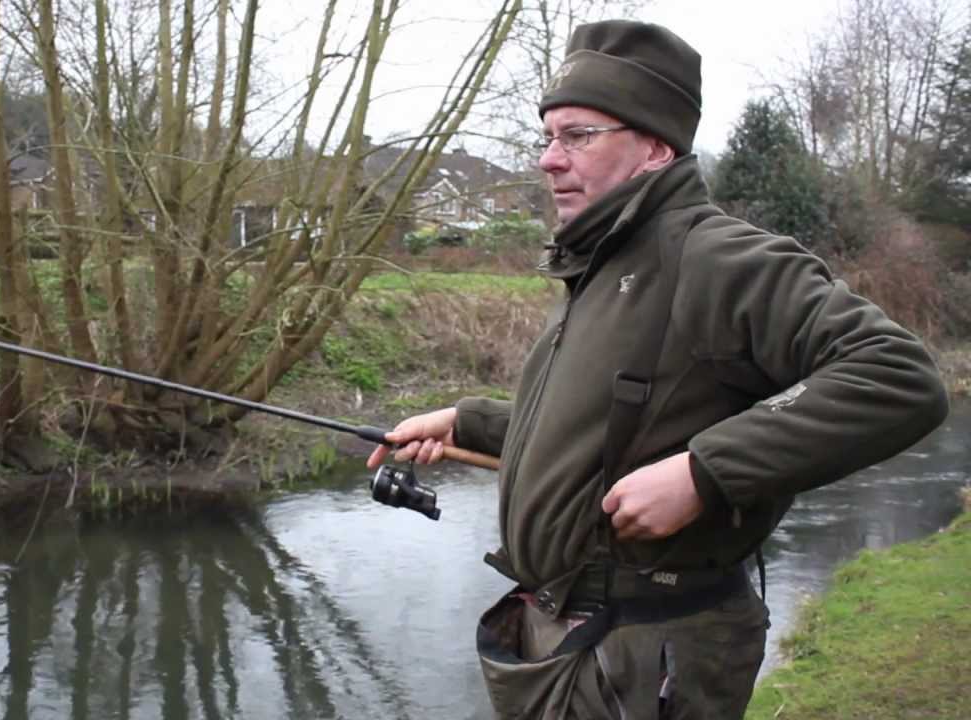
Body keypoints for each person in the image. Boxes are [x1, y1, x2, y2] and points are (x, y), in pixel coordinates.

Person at [366, 19, 949, 720]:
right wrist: (471, 420)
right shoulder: (599, 262)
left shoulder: (716, 258)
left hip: (646, 659)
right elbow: (608, 426)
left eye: (578, 136)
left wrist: (705, 472)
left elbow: (899, 376)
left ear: (653, 146)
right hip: (566, 639)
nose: (550, 160)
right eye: (547, 137)